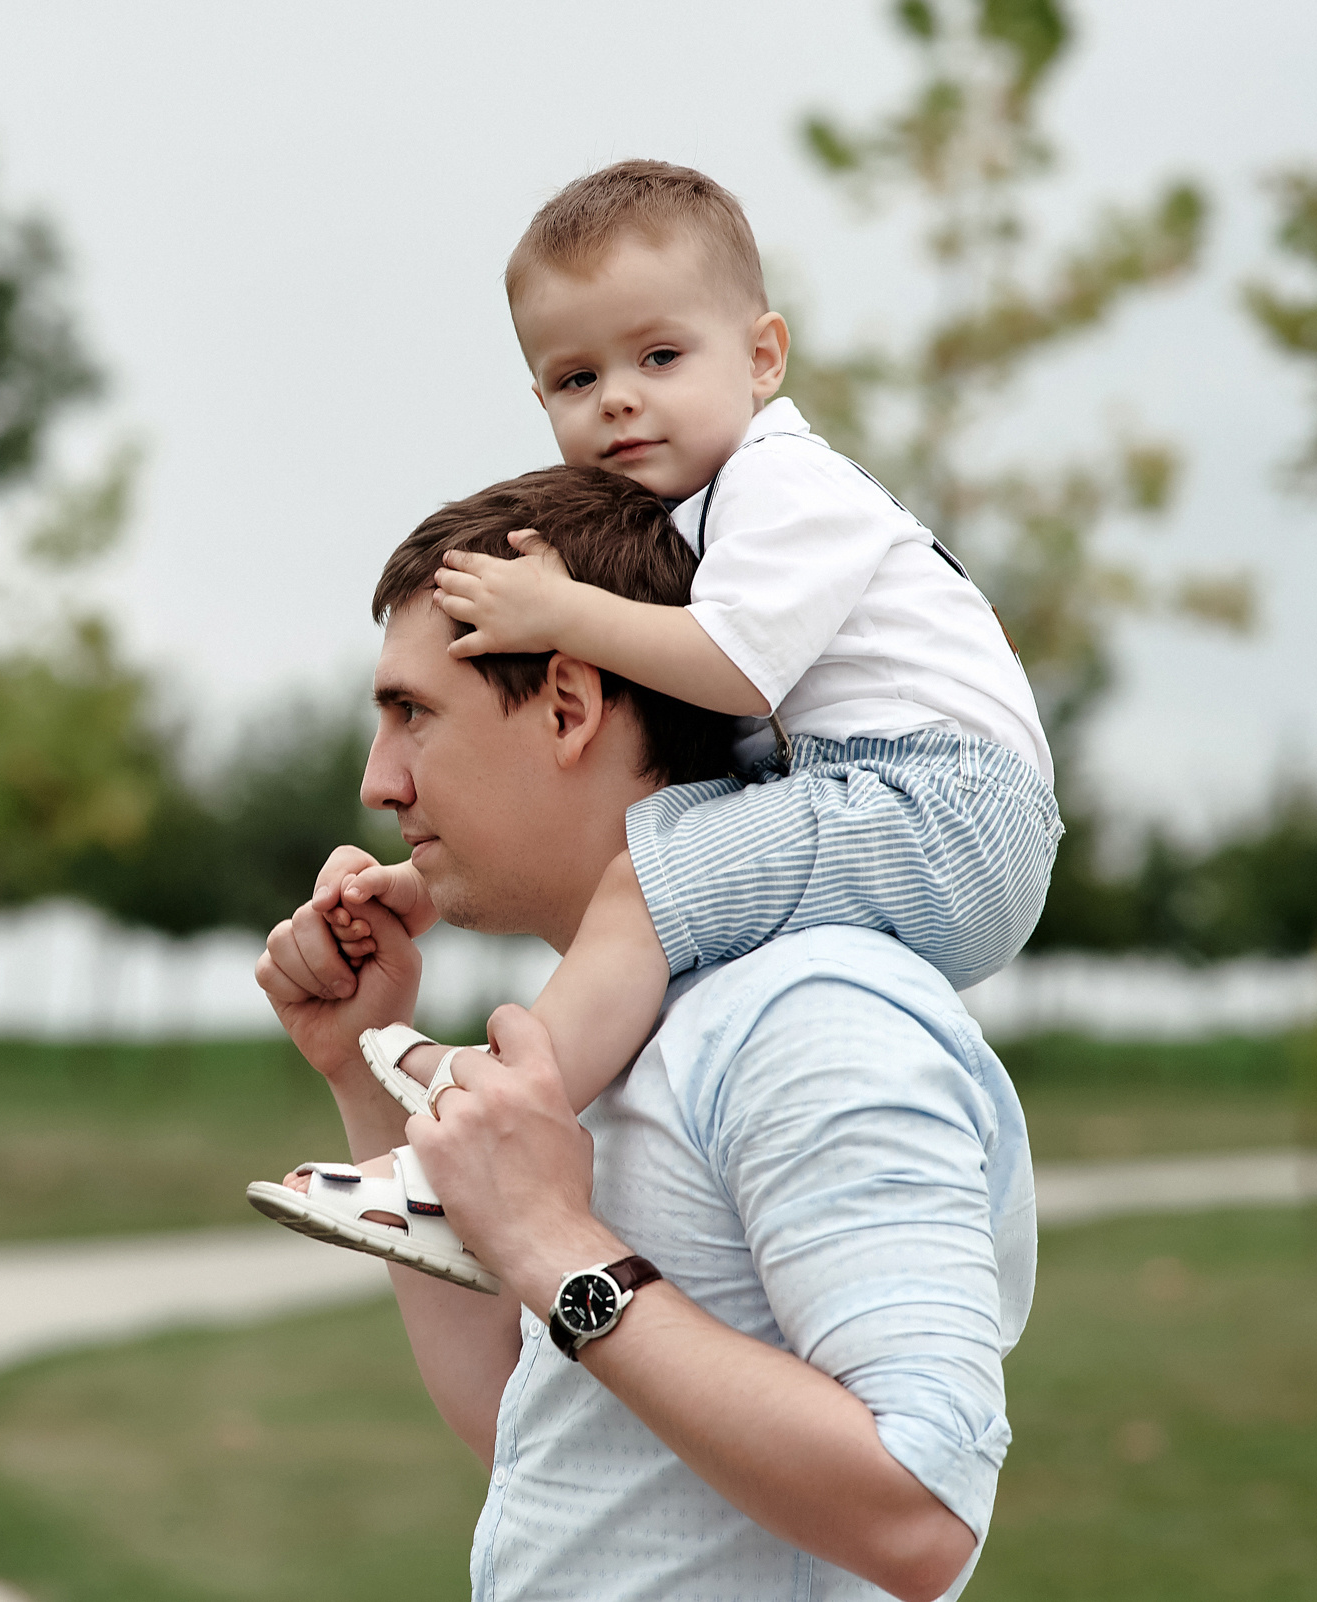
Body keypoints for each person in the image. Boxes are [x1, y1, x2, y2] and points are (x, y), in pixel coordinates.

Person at [261, 159, 1061, 1283]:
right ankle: (485, 1133)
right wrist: (425, 886)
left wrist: (558, 608)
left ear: (765, 357)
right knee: (667, 866)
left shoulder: (788, 486)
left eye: (660, 357)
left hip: (937, 802)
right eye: (575, 377)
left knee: (652, 881)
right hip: (890, 793)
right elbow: (709, 774)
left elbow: (731, 672)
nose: (619, 398)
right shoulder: (718, 524)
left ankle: (488, 1136)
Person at [253, 465, 1036, 1600]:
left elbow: (921, 1507)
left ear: (569, 706)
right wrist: (372, 1071)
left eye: (412, 712)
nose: (379, 781)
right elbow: (549, 1445)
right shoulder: (628, 1029)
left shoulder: (812, 1012)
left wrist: (557, 1247)